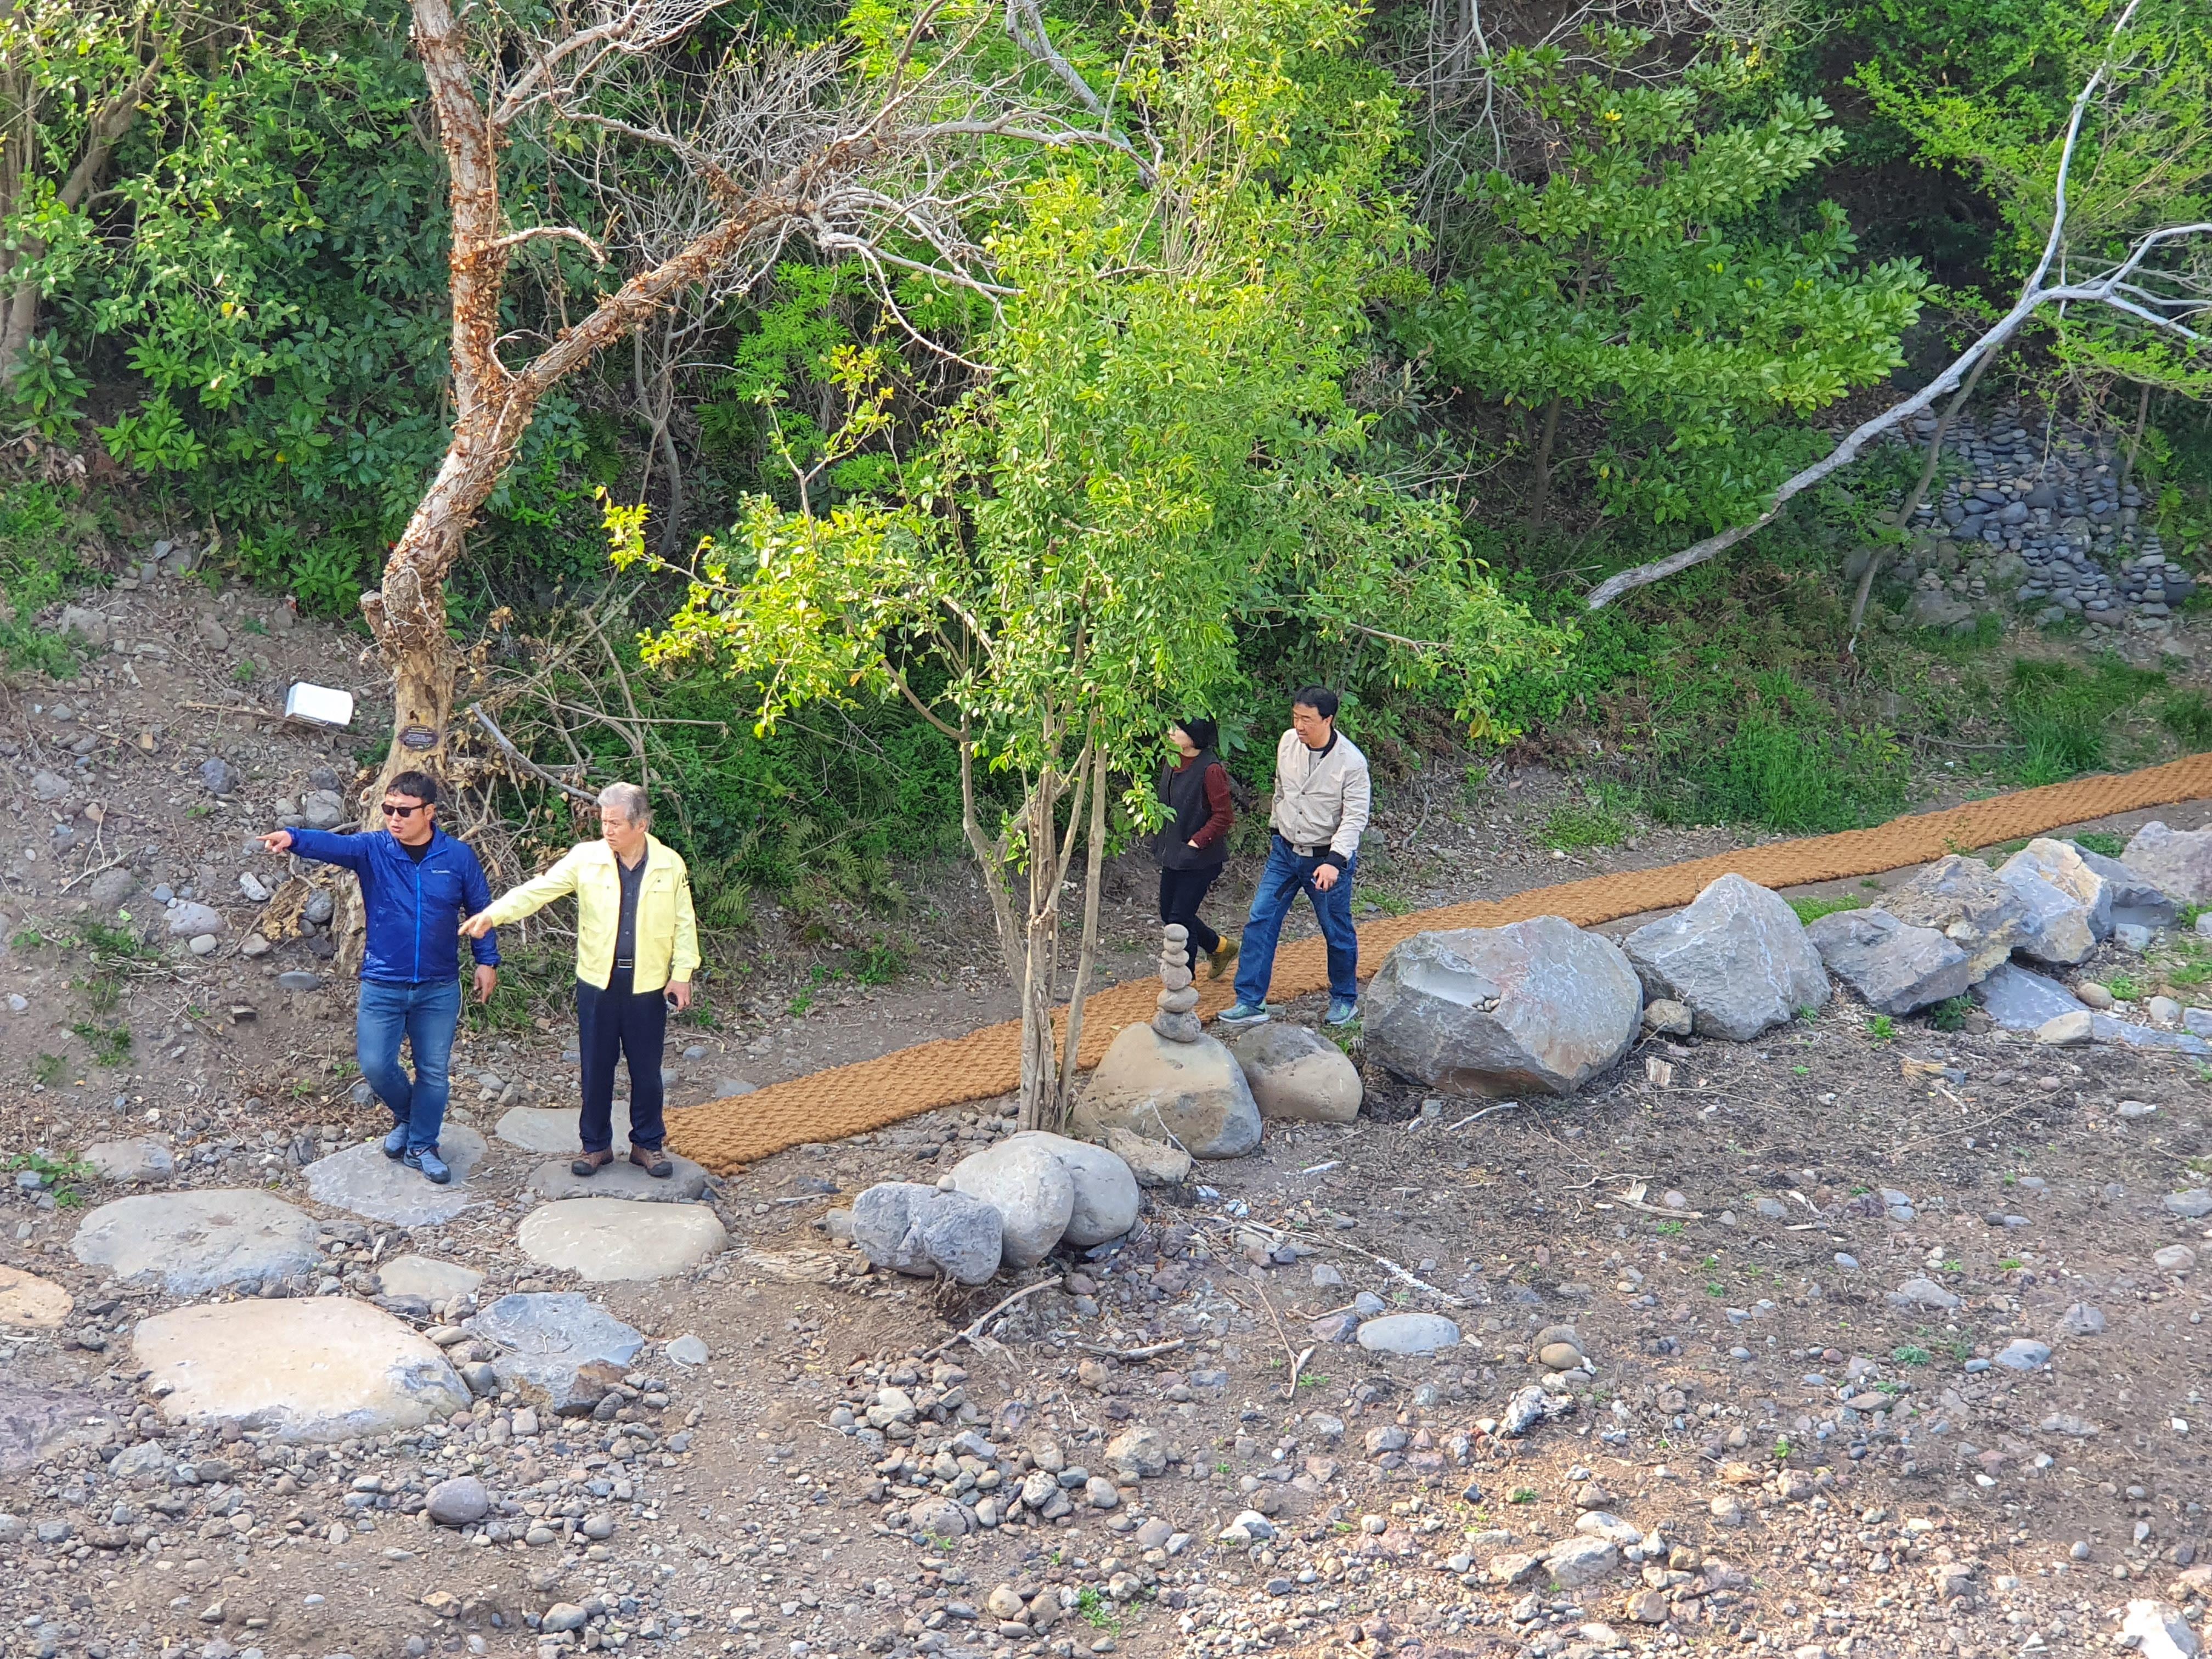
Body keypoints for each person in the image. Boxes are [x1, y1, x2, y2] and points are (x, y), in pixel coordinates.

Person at [259, 769, 499, 1184]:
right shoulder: (374, 849)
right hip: (384, 982)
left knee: (434, 1071)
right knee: (375, 1064)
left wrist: (486, 960)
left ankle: (422, 1144)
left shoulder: (457, 857)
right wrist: (294, 837)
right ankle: (410, 1117)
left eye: (403, 811)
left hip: (438, 986)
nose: (393, 817)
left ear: (430, 813)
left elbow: (482, 911)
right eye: (388, 809)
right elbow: (335, 845)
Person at [461, 782, 698, 1178]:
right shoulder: (586, 858)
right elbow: (538, 890)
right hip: (596, 983)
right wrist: (494, 914)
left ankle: (648, 1144)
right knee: (595, 1066)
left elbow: (684, 922)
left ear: (641, 825)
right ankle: (595, 1146)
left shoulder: (669, 863)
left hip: (648, 984)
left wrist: (682, 974)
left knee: (646, 1070)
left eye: (616, 823)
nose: (607, 830)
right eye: (604, 822)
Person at [1216, 686, 1370, 1028]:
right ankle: (1250, 1001)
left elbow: (1355, 817)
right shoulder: (1287, 741)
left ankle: (1344, 1000)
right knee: (1260, 920)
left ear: (1328, 720)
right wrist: (1276, 827)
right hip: (1285, 852)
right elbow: (1281, 788)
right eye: (1296, 717)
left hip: (1326, 859)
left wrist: (1335, 860)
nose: (1299, 726)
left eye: (1307, 720)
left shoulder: (1351, 763)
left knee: (1337, 930)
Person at [1154, 718, 1236, 979]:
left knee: (1179, 919)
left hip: (1200, 858)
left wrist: (1196, 842)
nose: (1171, 732)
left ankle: (1183, 982)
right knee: (1169, 912)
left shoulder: (1210, 769)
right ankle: (1219, 947)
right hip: (1174, 852)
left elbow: (1223, 816)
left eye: (1178, 729)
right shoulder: (1172, 759)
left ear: (1196, 735)